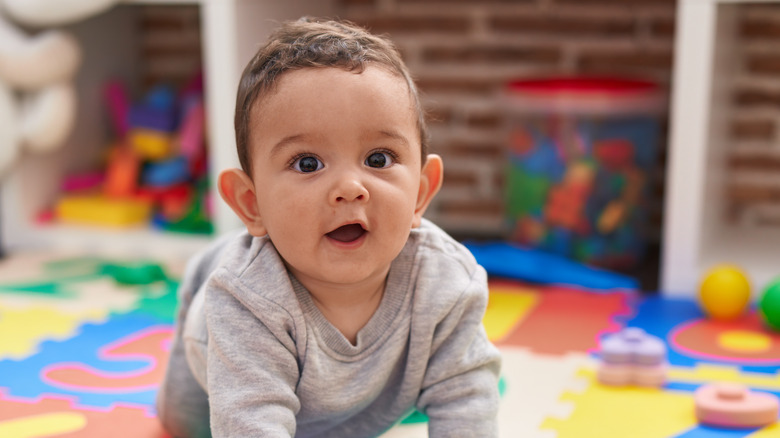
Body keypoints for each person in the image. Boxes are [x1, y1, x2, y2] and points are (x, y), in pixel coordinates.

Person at [156, 17, 502, 438]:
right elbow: (250, 423)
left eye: (378, 159)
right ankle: (208, 267)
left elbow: (466, 395)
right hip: (220, 359)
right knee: (181, 425)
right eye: (308, 163)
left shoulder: (447, 281)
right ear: (252, 203)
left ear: (421, 193)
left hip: (362, 398)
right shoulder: (245, 299)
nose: (350, 188)